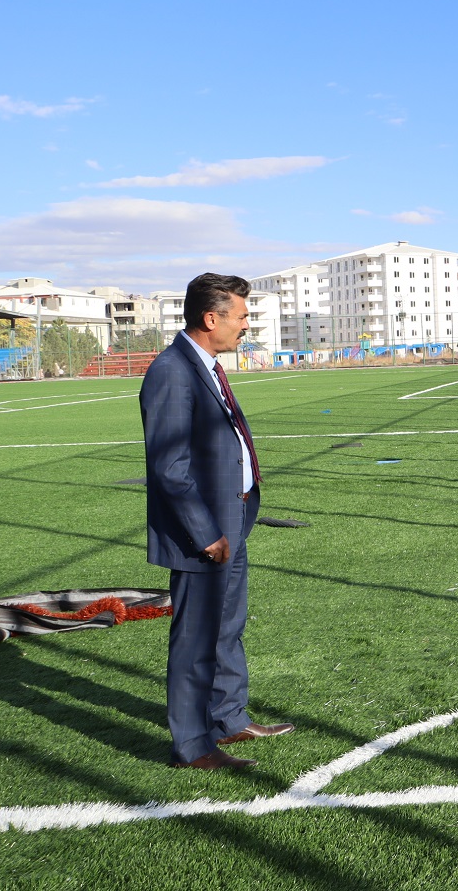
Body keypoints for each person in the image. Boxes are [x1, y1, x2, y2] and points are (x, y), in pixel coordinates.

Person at [140, 273, 294, 770]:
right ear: (212, 318)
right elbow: (169, 466)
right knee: (195, 639)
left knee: (227, 625)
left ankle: (228, 718)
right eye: (242, 316)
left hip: (234, 517)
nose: (246, 326)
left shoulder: (204, 365)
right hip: (203, 533)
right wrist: (206, 534)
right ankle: (192, 745)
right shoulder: (172, 371)